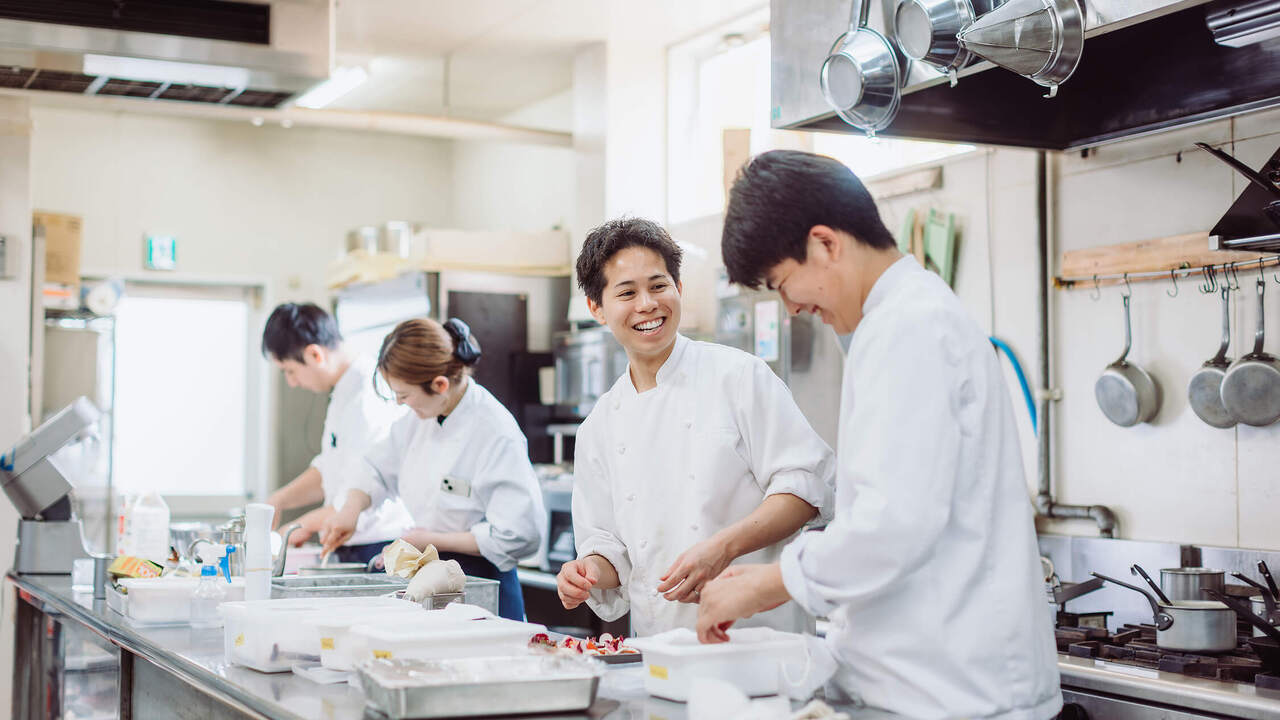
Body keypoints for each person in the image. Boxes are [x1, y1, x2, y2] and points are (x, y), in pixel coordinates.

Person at [698, 150, 1061, 719]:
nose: (790, 307)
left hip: (956, 696)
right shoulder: (894, 323)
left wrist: (773, 582)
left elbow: (896, 522)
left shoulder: (910, 327)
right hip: (929, 688)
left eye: (782, 283)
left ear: (825, 244)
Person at [556, 217, 836, 637]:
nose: (647, 304)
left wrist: (723, 548)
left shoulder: (739, 377)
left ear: (679, 288)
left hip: (757, 639)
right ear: (597, 308)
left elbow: (807, 489)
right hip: (660, 648)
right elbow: (609, 548)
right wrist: (585, 572)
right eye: (627, 292)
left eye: (658, 285)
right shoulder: (599, 426)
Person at [320, 317, 546, 620]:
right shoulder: (419, 420)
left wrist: (432, 540)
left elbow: (519, 534)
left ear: (439, 385)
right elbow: (374, 467)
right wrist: (350, 509)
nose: (401, 404)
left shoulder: (495, 432)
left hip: (483, 591)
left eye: (404, 395)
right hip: (433, 584)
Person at [261, 302, 412, 565]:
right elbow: (331, 469)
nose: (292, 382)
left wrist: (299, 526)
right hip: (352, 542)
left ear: (314, 355)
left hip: (377, 545)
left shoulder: (368, 396)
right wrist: (279, 500)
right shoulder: (344, 391)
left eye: (290, 370)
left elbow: (365, 483)